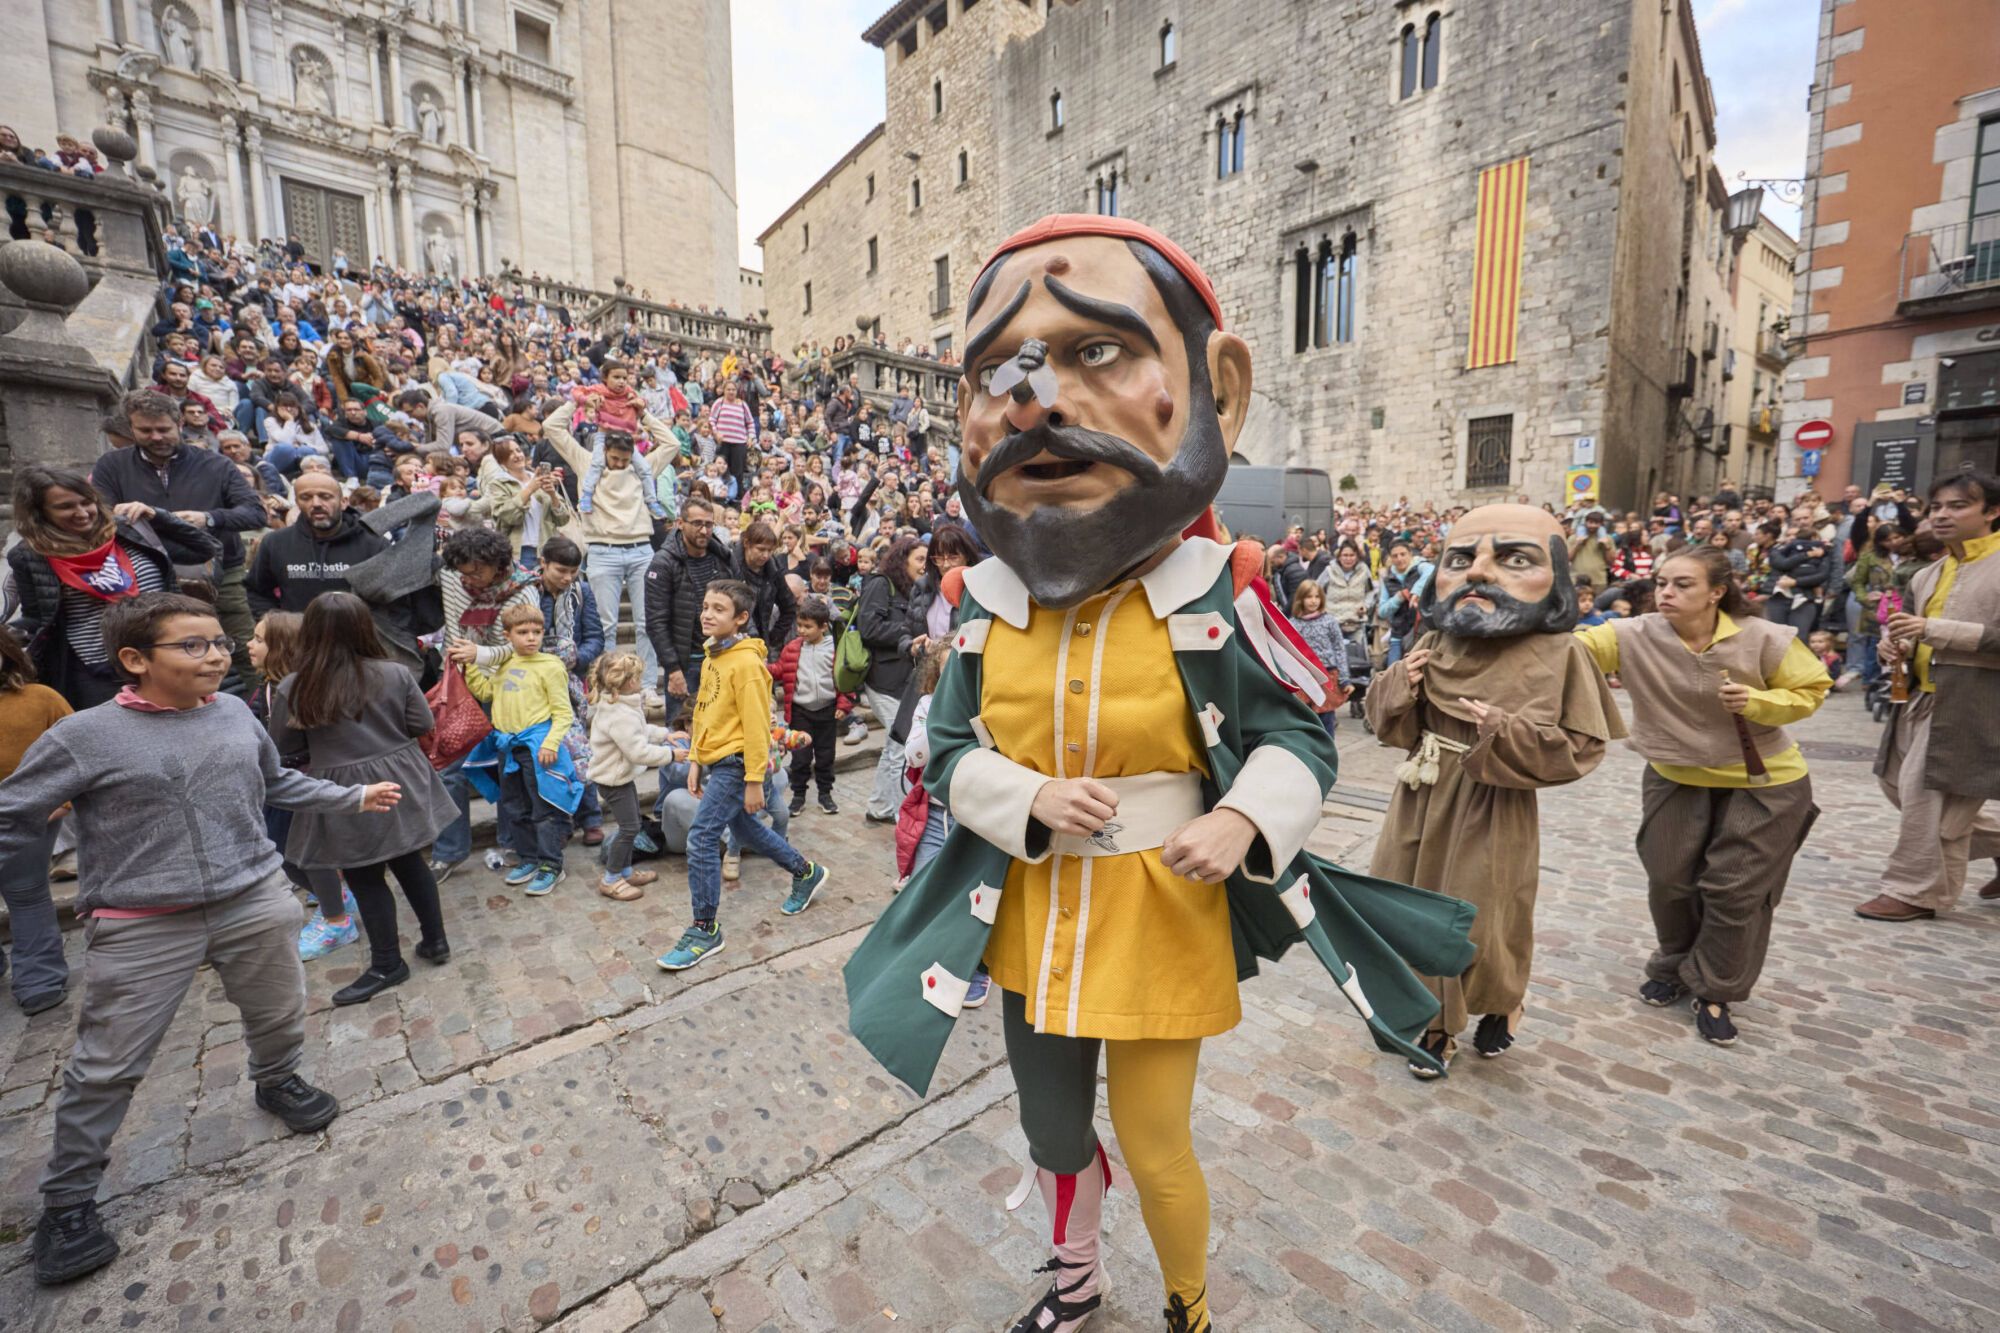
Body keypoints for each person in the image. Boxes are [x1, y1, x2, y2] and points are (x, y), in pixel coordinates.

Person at [842, 215, 1474, 1333]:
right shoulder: (984, 611)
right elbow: (945, 753)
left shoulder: (1218, 587)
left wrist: (1242, 818)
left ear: (1214, 390)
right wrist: (1022, 795)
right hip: (1032, 909)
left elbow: (1299, 737)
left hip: (1156, 909)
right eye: (996, 372)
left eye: (1094, 351)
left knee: (1154, 1140)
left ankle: (1189, 1309)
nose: (1030, 402)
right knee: (1050, 1135)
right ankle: (1075, 1283)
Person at [0, 591, 402, 1286]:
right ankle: (67, 1203)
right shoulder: (85, 734)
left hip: (253, 897)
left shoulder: (235, 716)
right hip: (141, 922)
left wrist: (352, 798)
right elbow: (14, 808)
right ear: (134, 659)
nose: (216, 654)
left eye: (218, 641)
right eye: (193, 645)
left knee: (277, 1012)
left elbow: (278, 782)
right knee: (107, 1063)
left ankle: (276, 1081)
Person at [1367, 505, 1622, 1074]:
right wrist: (1397, 687)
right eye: (1461, 558)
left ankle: (1499, 1003)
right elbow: (1392, 727)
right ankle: (1430, 1021)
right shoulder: (1436, 638)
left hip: (1493, 801)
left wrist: (1501, 733)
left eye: (1512, 558)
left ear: (1554, 574)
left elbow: (1580, 747)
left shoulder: (1564, 654)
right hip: (1421, 792)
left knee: (1480, 918)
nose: (1478, 571)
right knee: (1404, 906)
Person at [1576, 546, 1829, 1044]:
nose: (1665, 592)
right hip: (1676, 775)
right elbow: (1569, 649)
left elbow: (1812, 689)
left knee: (1734, 890)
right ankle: (1673, 963)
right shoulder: (1631, 634)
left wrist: (1759, 701)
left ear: (1717, 592)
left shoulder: (1765, 638)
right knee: (1669, 880)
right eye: (1661, 582)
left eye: (1682, 584)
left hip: (1766, 782)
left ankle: (1716, 986)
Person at [268, 594, 457, 1004]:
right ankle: (435, 940)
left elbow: (285, 746)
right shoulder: (395, 673)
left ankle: (389, 963)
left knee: (365, 875)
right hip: (400, 778)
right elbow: (421, 723)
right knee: (410, 862)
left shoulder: (294, 686)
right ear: (364, 627)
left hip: (342, 789)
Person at [654, 580, 829, 971]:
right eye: (705, 606)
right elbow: (704, 710)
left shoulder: (748, 664)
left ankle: (704, 928)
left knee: (701, 838)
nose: (707, 614)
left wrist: (754, 779)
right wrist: (697, 758)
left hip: (737, 762)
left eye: (718, 608)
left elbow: (755, 727)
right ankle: (806, 872)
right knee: (747, 831)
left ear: (741, 618)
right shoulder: (714, 652)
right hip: (718, 759)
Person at [1856, 471, 2000, 922]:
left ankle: (1915, 891)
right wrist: (1895, 645)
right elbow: (1915, 633)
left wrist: (1933, 630)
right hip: (1921, 698)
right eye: (1936, 506)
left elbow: (1946, 632)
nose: (1941, 514)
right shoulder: (1929, 573)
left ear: (1992, 512)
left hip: (1976, 701)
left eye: (1957, 506)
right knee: (1896, 783)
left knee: (1928, 798)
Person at [7, 465, 221, 711]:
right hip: (96, 672)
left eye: (87, 502)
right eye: (65, 507)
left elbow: (205, 549)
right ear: (40, 512)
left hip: (168, 655)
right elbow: (37, 619)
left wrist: (158, 516)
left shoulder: (129, 528)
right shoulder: (29, 556)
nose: (82, 513)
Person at [90, 389, 264, 685]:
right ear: (131, 428)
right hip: (148, 575)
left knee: (244, 649)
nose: (156, 437)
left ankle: (261, 710)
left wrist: (208, 518)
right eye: (145, 430)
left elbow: (255, 513)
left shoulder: (216, 464)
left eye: (163, 429)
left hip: (220, 575)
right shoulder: (112, 465)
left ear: (179, 424)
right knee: (164, 652)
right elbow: (97, 517)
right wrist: (117, 515)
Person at [429, 528, 540, 879]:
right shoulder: (451, 577)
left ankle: (512, 843)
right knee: (448, 769)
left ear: (498, 564)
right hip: (461, 690)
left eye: (477, 571)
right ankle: (449, 851)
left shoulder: (523, 590)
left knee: (509, 770)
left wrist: (480, 653)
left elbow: (525, 644)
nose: (469, 578)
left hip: (507, 690)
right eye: (463, 570)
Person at [247, 610, 356, 960]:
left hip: (300, 786)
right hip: (276, 786)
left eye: (259, 639)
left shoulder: (297, 690)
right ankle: (335, 897)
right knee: (286, 856)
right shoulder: (267, 686)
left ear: (282, 646)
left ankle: (337, 920)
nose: (249, 644)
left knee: (306, 856)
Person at [452, 602, 580, 897]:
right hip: (506, 746)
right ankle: (529, 858)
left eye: (537, 631)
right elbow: (486, 692)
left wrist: (550, 742)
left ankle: (551, 865)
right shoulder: (504, 664)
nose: (531, 637)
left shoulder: (550, 666)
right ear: (507, 635)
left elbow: (563, 713)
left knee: (543, 808)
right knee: (514, 808)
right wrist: (470, 667)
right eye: (523, 632)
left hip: (537, 749)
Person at [0, 628, 72, 1014]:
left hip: (29, 815)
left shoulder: (39, 699)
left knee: (26, 893)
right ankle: (40, 982)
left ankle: (39, 983)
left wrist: (62, 801)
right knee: (28, 895)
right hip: (33, 813)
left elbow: (79, 753)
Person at [586, 651, 678, 900]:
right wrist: (671, 755)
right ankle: (611, 878)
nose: (641, 681)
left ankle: (624, 870)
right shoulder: (619, 714)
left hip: (620, 777)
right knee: (629, 829)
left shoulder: (623, 705)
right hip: (613, 781)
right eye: (638, 677)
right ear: (628, 682)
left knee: (632, 826)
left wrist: (664, 734)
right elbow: (638, 751)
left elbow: (639, 730)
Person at [855, 536, 932, 823]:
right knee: (901, 745)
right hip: (882, 680)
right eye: (919, 559)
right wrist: (908, 631)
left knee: (893, 745)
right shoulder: (880, 583)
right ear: (903, 559)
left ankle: (878, 805)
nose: (925, 566)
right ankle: (904, 815)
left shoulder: (915, 591)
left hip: (904, 681)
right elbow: (869, 627)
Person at [244, 472, 387, 617]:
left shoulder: (373, 543)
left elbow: (390, 599)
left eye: (325, 497)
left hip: (359, 635)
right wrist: (276, 625)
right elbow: (257, 593)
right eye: (306, 498)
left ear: (343, 502)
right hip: (297, 636)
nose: (316, 504)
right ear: (297, 504)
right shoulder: (275, 543)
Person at [645, 496, 730, 704]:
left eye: (709, 524)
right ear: (680, 524)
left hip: (722, 657)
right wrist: (673, 669)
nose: (703, 530)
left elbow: (738, 603)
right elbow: (656, 622)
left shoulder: (722, 556)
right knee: (683, 731)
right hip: (686, 664)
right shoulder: (663, 563)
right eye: (697, 524)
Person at [773, 597, 841, 815]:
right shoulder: (793, 648)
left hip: (828, 710)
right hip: (801, 711)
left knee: (825, 755)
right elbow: (780, 670)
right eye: (799, 625)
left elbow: (845, 679)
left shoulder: (835, 648)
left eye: (808, 627)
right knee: (800, 758)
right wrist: (759, 666)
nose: (801, 630)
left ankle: (825, 794)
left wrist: (844, 704)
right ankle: (798, 795)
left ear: (823, 626)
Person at [1287, 579, 1354, 737]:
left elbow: (1339, 649)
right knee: (1306, 719)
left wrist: (1344, 679)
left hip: (1327, 676)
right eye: (1309, 597)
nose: (1313, 601)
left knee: (1326, 718)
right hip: (1303, 679)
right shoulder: (1293, 624)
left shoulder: (1329, 621)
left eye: (1317, 597)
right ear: (1300, 599)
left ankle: (1328, 754)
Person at [1376, 537, 1432, 666]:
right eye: (1395, 556)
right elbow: (1382, 611)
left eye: (1403, 554)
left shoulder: (1420, 567)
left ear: (1410, 554)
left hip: (1421, 633)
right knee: (1393, 672)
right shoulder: (1388, 579)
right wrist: (1398, 598)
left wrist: (1416, 592)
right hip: (1398, 634)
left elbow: (1431, 571)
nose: (1399, 559)